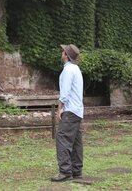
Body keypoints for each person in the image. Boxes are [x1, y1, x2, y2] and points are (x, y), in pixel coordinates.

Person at [51, 43, 84, 182]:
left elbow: (65, 92)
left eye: (63, 51)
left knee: (62, 138)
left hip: (70, 110)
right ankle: (76, 170)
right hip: (78, 110)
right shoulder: (76, 69)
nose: (61, 52)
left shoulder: (68, 70)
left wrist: (60, 108)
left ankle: (65, 172)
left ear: (66, 55)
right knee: (76, 140)